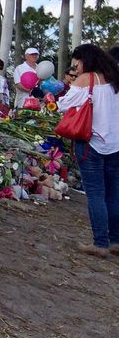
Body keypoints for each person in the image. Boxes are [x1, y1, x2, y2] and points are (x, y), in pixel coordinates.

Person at [57, 44, 119, 257]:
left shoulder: (88, 79)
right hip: (115, 144)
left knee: (95, 194)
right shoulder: (115, 78)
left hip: (91, 143)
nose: (76, 67)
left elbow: (64, 105)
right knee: (113, 194)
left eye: (77, 62)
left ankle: (100, 243)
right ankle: (115, 240)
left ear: (86, 60)